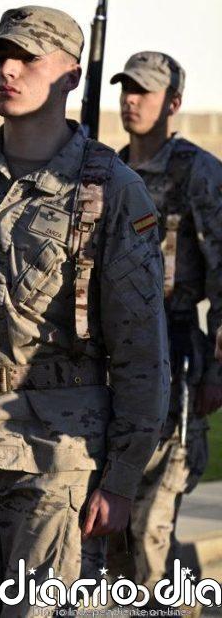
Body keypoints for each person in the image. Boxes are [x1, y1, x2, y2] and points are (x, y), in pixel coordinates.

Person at [0, 7, 169, 615]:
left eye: (29, 57)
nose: (8, 70)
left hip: (60, 455)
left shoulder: (110, 190)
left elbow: (141, 351)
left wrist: (123, 477)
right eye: (2, 56)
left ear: (71, 77)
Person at [105, 51, 222, 593]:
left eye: (144, 91)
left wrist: (218, 368)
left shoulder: (198, 172)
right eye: (126, 88)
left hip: (177, 360)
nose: (131, 99)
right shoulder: (105, 168)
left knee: (152, 525)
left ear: (173, 103)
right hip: (112, 362)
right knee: (114, 535)